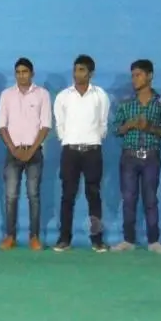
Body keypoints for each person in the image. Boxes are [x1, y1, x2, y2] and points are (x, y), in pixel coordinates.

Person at [110, 59, 161, 254]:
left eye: (138, 75)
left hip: (151, 156)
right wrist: (128, 125)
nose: (134, 79)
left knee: (150, 199)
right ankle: (128, 240)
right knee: (128, 198)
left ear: (150, 76)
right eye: (132, 75)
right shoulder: (126, 104)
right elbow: (115, 130)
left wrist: (150, 127)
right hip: (129, 156)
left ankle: (154, 241)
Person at [53, 55, 110, 252]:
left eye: (82, 70)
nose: (77, 74)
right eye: (75, 69)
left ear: (90, 73)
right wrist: (69, 140)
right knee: (67, 196)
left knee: (94, 196)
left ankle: (97, 240)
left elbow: (103, 124)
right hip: (70, 152)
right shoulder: (63, 96)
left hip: (92, 151)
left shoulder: (100, 95)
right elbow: (60, 124)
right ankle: (64, 239)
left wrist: (92, 141)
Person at [0, 57, 51, 250]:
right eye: (18, 72)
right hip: (13, 152)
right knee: (11, 195)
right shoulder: (7, 95)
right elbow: (1, 126)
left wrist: (31, 150)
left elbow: (45, 126)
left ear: (32, 73)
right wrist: (14, 149)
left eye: (25, 72)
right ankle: (10, 236)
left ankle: (34, 237)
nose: (21, 75)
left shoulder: (42, 94)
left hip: (34, 152)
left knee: (33, 195)